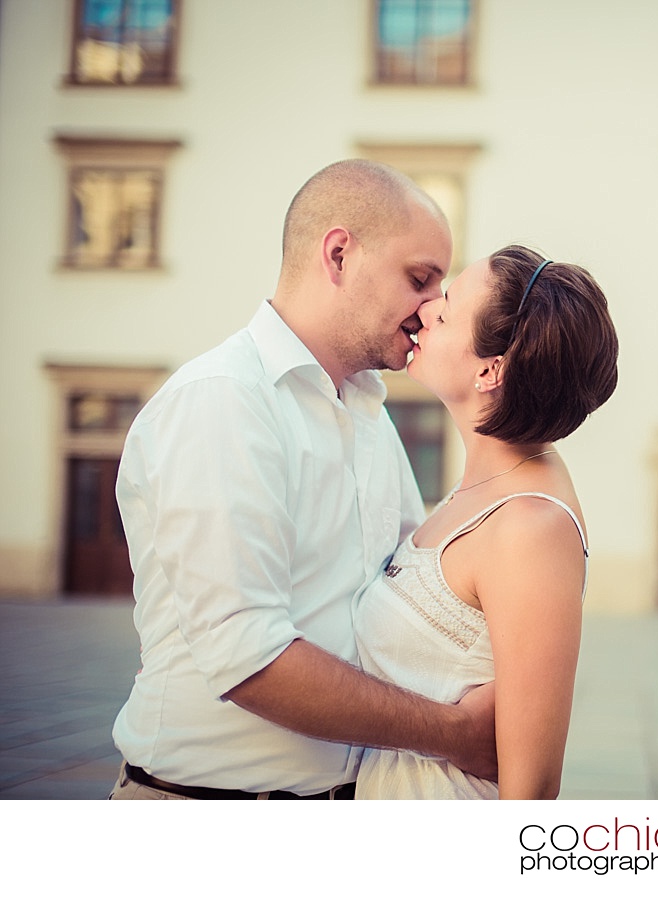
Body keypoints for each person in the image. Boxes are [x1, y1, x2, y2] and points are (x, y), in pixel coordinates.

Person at [109, 159, 496, 800]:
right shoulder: (223, 400)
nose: (432, 310)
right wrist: (454, 733)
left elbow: (411, 595)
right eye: (420, 279)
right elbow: (248, 657)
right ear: (339, 255)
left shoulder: (370, 411)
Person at [353, 244, 619, 799]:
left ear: (491, 369)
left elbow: (533, 788)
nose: (425, 309)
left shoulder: (530, 526)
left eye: (446, 309)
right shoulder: (485, 485)